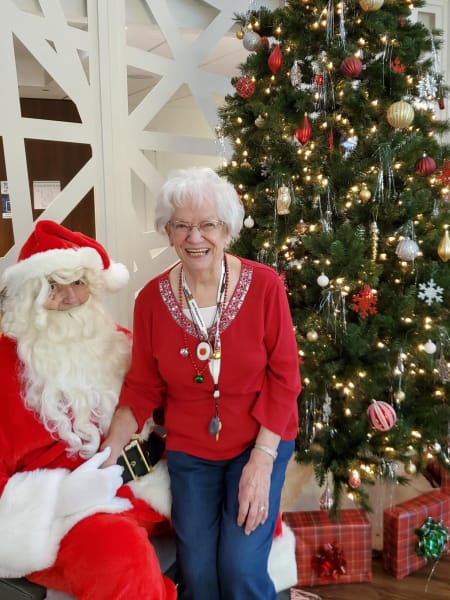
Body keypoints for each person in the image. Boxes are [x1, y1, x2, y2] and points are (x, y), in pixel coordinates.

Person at [103, 167, 301, 600]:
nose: (195, 238)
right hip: (192, 449)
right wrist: (108, 452)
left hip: (260, 443)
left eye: (208, 224)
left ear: (226, 228)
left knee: (239, 568)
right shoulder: (151, 300)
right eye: (182, 225)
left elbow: (286, 379)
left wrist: (262, 464)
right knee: (198, 573)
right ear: (168, 232)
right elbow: (142, 386)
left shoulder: (265, 286)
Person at [0, 220, 176, 600]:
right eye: (52, 286)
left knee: (235, 518)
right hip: (72, 518)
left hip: (152, 490)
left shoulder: (117, 343)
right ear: (28, 296)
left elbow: (173, 407)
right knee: (124, 561)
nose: (70, 297)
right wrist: (61, 496)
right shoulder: (3, 366)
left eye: (78, 283)